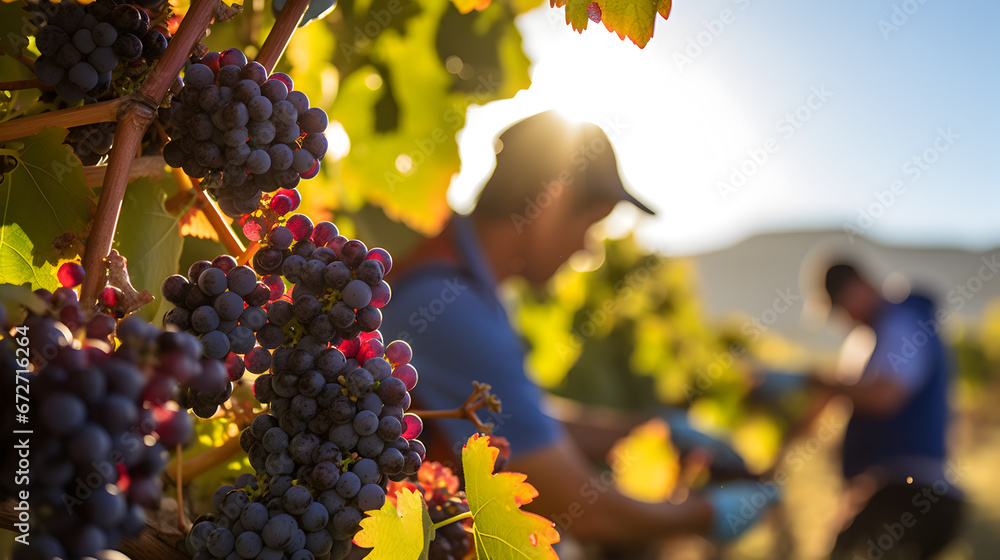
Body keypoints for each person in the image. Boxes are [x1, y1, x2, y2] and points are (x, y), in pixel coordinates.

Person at [380, 110, 775, 545]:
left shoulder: (455, 282)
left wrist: (648, 431)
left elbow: (520, 418)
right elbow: (585, 513)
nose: (587, 249)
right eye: (590, 225)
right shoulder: (454, 310)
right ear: (551, 202)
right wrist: (710, 514)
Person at [810, 263, 964, 559]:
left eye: (843, 308)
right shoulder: (874, 336)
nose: (846, 319)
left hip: (905, 491)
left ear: (859, 285)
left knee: (844, 552)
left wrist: (822, 383)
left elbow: (884, 397)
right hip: (903, 491)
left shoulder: (901, 324)